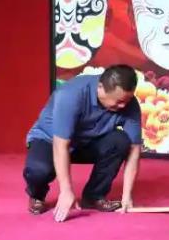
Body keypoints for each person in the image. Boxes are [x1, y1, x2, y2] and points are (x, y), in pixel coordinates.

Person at [23, 64, 144, 222]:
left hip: (87, 142)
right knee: (39, 170)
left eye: (127, 100)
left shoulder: (129, 104)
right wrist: (66, 190)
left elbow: (134, 151)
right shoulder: (71, 95)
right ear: (100, 88)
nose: (124, 106)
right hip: (50, 140)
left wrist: (126, 196)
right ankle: (37, 196)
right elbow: (61, 145)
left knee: (120, 141)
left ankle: (94, 196)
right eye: (119, 101)